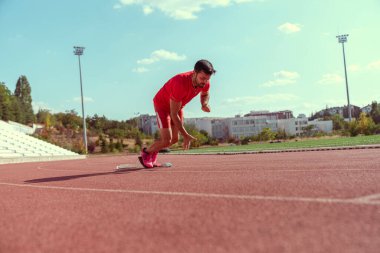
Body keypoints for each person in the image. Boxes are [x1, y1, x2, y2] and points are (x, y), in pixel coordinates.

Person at [139, 59, 216, 168]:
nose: (204, 82)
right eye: (202, 78)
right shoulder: (180, 83)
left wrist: (204, 104)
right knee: (167, 139)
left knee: (174, 139)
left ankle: (154, 151)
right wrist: (186, 135)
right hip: (162, 106)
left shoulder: (205, 82)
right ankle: (146, 153)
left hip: (178, 106)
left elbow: (205, 94)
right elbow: (173, 114)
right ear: (194, 73)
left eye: (207, 79)